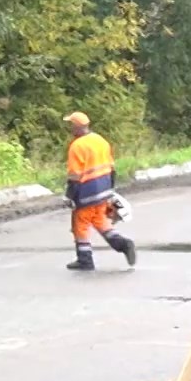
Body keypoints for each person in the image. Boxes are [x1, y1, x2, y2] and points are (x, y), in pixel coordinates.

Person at [62, 111, 136, 271]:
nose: (69, 129)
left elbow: (75, 176)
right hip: (103, 190)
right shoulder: (100, 140)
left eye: (70, 125)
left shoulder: (77, 146)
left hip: (87, 192)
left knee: (80, 224)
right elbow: (112, 168)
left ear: (76, 126)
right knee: (99, 221)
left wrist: (69, 196)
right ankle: (123, 244)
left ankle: (85, 260)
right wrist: (111, 190)